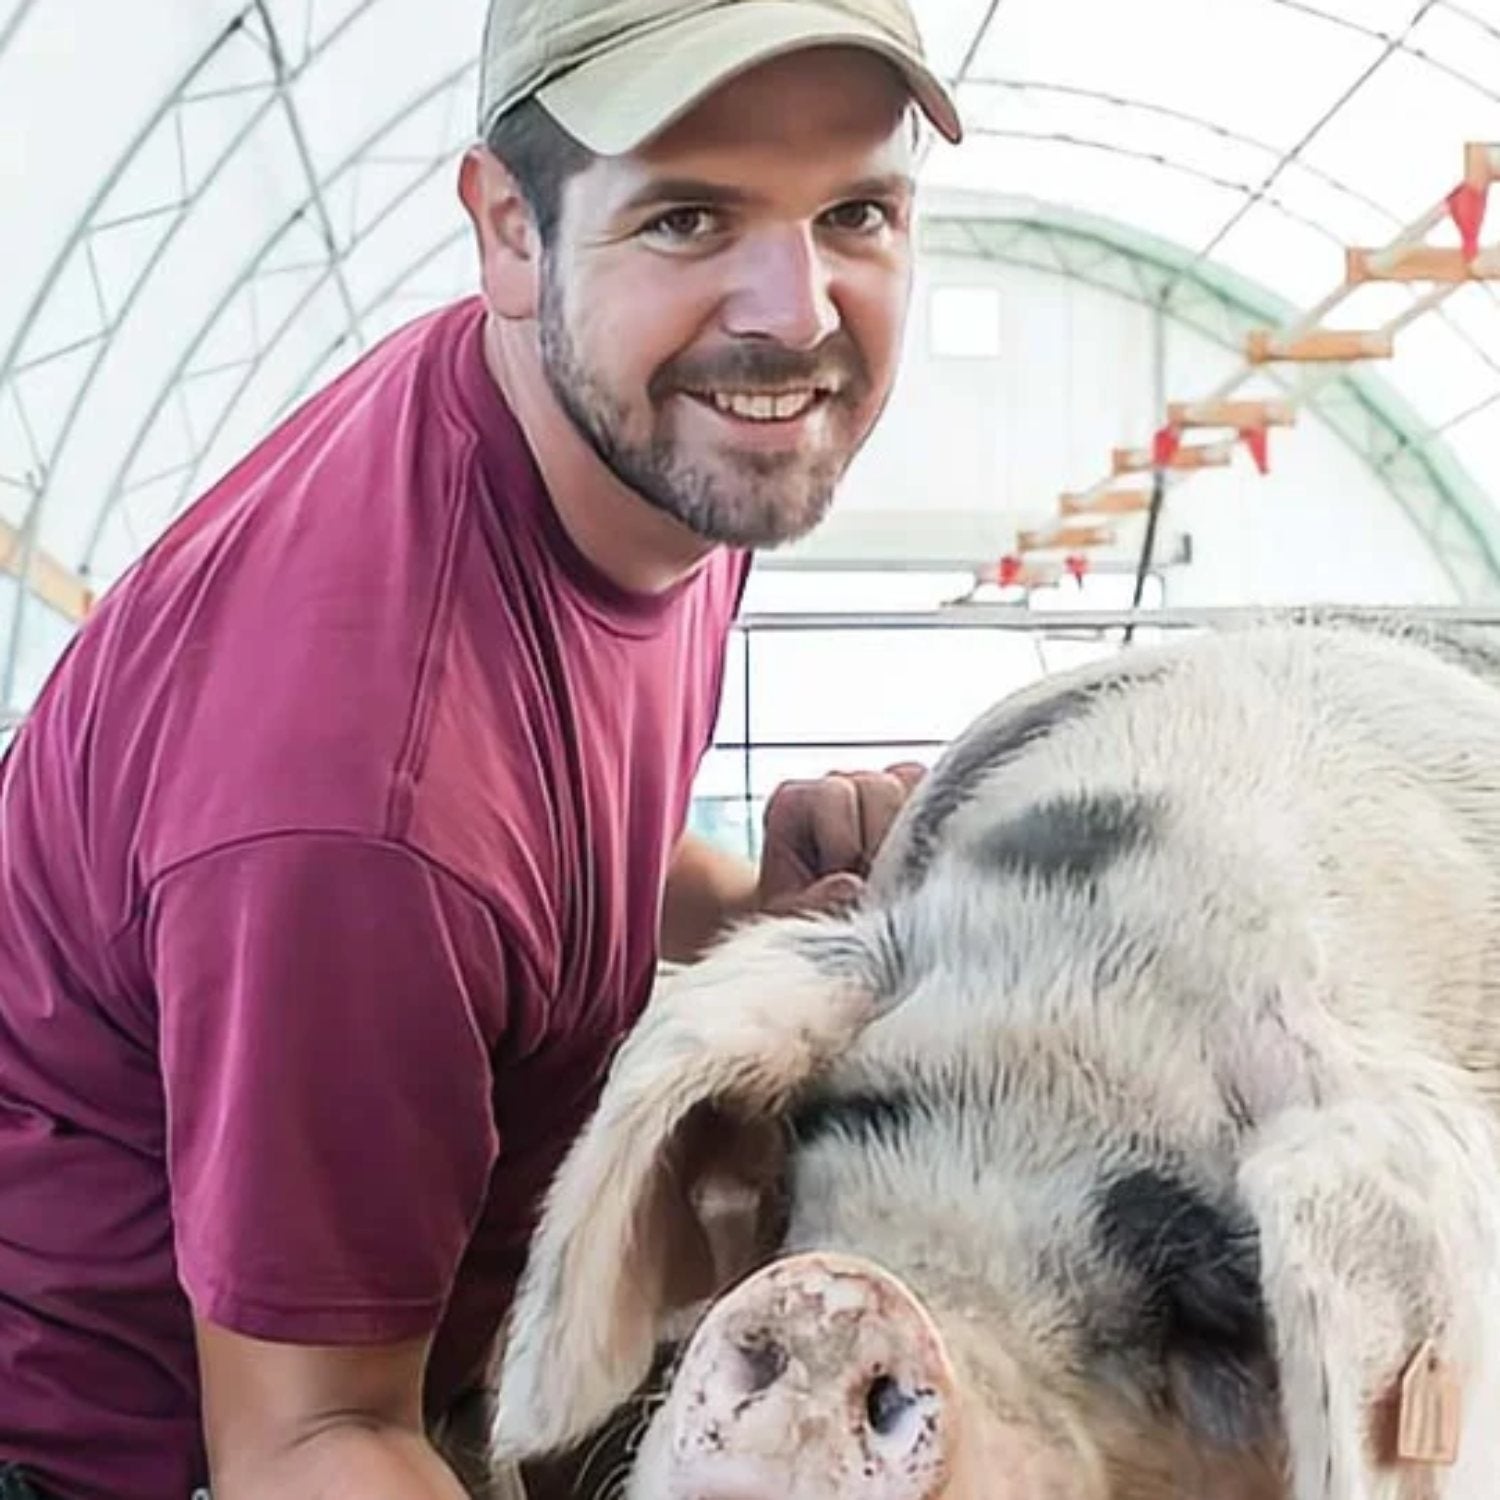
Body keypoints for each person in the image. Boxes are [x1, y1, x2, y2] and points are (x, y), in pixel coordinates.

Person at [0, 0, 961, 1495]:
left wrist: (752, 929)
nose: (795, 307)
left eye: (856, 210)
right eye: (689, 216)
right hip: (143, 1450)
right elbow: (312, 1444)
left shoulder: (660, 453)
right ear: (509, 232)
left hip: (437, 1326)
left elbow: (550, 869)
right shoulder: (360, 791)